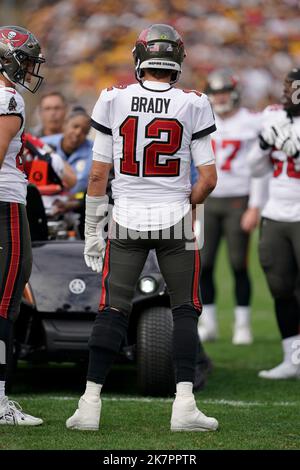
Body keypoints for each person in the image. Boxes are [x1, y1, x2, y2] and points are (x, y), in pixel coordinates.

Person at [66, 24, 219, 432]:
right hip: (175, 221)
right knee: (184, 309)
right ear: (177, 62)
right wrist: (185, 202)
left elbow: (98, 176)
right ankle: (184, 404)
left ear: (140, 59)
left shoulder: (113, 99)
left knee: (113, 309)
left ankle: (89, 405)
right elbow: (208, 179)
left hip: (126, 219)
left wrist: (92, 230)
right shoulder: (194, 103)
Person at [194, 69, 266, 345]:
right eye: (215, 93)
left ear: (234, 93)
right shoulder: (203, 120)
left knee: (238, 264)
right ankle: (209, 323)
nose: (220, 98)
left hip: (239, 199)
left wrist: (255, 206)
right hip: (209, 200)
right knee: (205, 264)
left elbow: (262, 169)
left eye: (223, 92)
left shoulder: (253, 122)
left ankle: (243, 324)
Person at [0, 25, 45, 425]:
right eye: (27, 59)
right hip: (4, 206)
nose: (30, 68)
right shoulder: (8, 97)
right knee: (5, 300)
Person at [247, 68, 300, 379]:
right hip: (276, 213)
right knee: (280, 288)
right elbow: (254, 168)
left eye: (292, 87)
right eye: (285, 86)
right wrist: (265, 143)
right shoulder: (272, 117)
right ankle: (291, 359)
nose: (285, 92)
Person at [41, 106, 93, 195]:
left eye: (84, 131)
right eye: (75, 126)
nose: (78, 133)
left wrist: (75, 201)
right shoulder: (43, 144)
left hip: (76, 204)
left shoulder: (94, 152)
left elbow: (82, 188)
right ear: (65, 124)